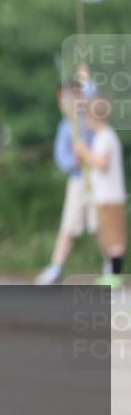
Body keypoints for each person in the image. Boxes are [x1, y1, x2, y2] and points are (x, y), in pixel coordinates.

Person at [34, 83, 100, 285]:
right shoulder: (65, 127)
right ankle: (56, 268)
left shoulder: (91, 118)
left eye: (69, 98)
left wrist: (84, 79)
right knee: (68, 226)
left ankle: (111, 267)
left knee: (99, 226)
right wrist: (74, 161)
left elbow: (93, 92)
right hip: (78, 181)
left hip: (97, 181)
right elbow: (61, 157)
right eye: (62, 100)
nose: (65, 103)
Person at [74, 97, 127, 287]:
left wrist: (84, 152)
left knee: (114, 237)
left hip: (110, 197)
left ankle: (115, 275)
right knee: (107, 236)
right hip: (103, 196)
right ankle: (110, 272)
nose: (85, 120)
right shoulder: (101, 137)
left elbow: (102, 164)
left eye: (88, 115)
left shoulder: (106, 137)